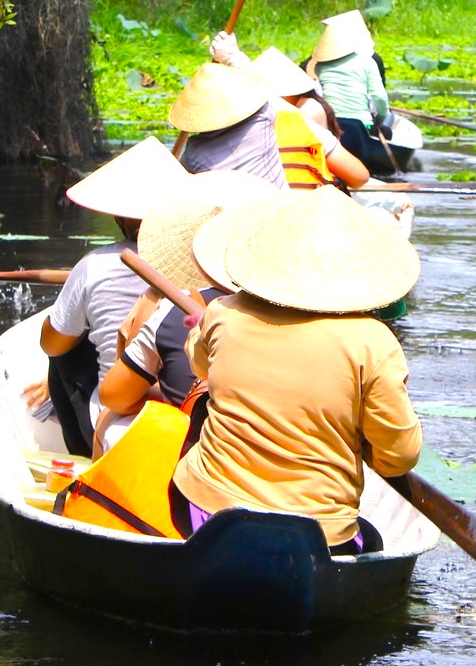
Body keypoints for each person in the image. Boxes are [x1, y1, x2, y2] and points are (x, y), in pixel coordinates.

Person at [170, 186, 423, 555]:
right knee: (371, 541)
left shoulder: (224, 312)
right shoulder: (374, 342)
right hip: (319, 530)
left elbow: (200, 362)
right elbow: (398, 455)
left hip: (203, 509)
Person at [90, 170, 276, 453]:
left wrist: (159, 391)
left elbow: (113, 396)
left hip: (205, 458)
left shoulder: (169, 311)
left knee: (110, 418)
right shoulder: (302, 312)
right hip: (280, 452)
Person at [39, 136, 188, 456]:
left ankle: (80, 453)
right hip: (187, 405)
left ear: (119, 219)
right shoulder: (204, 263)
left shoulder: (95, 266)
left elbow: (51, 344)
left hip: (120, 409)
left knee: (65, 348)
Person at [209, 38, 374, 192]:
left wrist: (236, 62)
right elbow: (359, 177)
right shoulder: (291, 116)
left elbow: (359, 177)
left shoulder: (306, 112)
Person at [306, 10, 396, 174]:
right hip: (361, 126)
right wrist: (380, 120)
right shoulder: (368, 62)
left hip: (332, 125)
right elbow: (380, 97)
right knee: (388, 130)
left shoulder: (319, 66)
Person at [169, 62, 287, 187]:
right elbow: (259, 85)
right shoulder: (264, 117)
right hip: (281, 201)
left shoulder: (194, 151)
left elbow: (180, 184)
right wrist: (230, 58)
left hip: (235, 206)